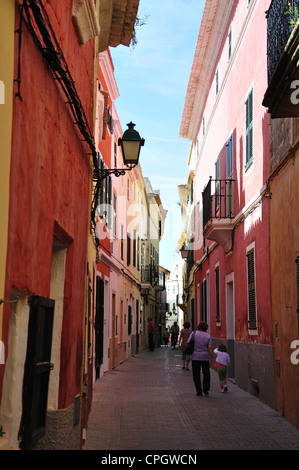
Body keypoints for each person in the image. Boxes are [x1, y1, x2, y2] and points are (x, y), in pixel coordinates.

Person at [187, 321, 213, 396]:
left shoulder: (193, 333)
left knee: (196, 374)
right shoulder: (207, 336)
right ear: (206, 328)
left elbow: (188, 342)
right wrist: (211, 357)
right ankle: (206, 389)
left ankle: (198, 391)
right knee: (206, 373)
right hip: (205, 357)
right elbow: (210, 347)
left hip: (195, 356)